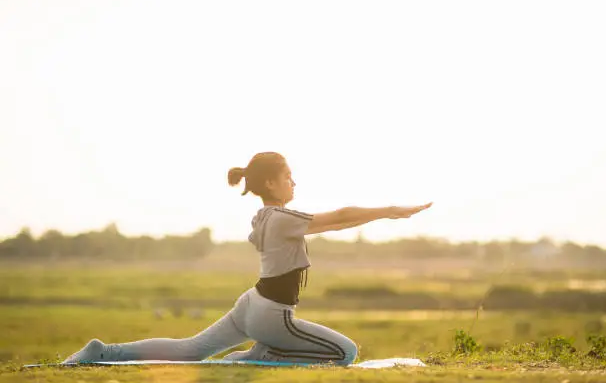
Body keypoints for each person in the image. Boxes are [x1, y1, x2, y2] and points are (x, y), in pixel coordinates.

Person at [62, 151, 433, 365]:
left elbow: (334, 223)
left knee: (190, 349)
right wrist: (388, 210)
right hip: (271, 314)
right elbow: (338, 219)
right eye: (288, 177)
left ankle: (103, 351)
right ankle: (252, 357)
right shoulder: (283, 219)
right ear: (270, 183)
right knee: (345, 353)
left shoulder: (264, 217)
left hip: (251, 303)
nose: (293, 183)